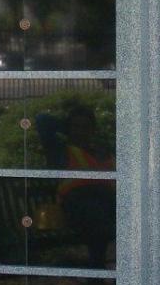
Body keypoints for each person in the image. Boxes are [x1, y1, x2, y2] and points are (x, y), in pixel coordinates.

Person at [35, 106, 115, 268]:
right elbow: (42, 120)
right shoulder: (60, 151)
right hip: (78, 206)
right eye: (75, 127)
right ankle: (97, 279)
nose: (81, 131)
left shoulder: (102, 151)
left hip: (107, 203)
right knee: (98, 222)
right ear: (68, 128)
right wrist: (66, 127)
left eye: (85, 127)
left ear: (93, 129)